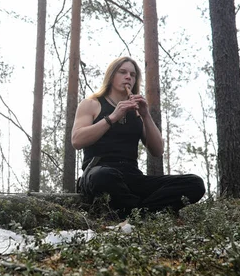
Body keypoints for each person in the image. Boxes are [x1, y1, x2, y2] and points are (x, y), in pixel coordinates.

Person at [72, 56, 205, 217]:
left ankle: (138, 213)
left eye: (132, 74)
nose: (128, 77)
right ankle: (142, 212)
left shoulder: (137, 111)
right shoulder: (92, 104)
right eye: (123, 72)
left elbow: (157, 150)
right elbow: (77, 140)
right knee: (104, 176)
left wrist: (146, 115)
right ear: (111, 75)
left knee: (195, 183)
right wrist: (112, 117)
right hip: (98, 172)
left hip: (131, 176)